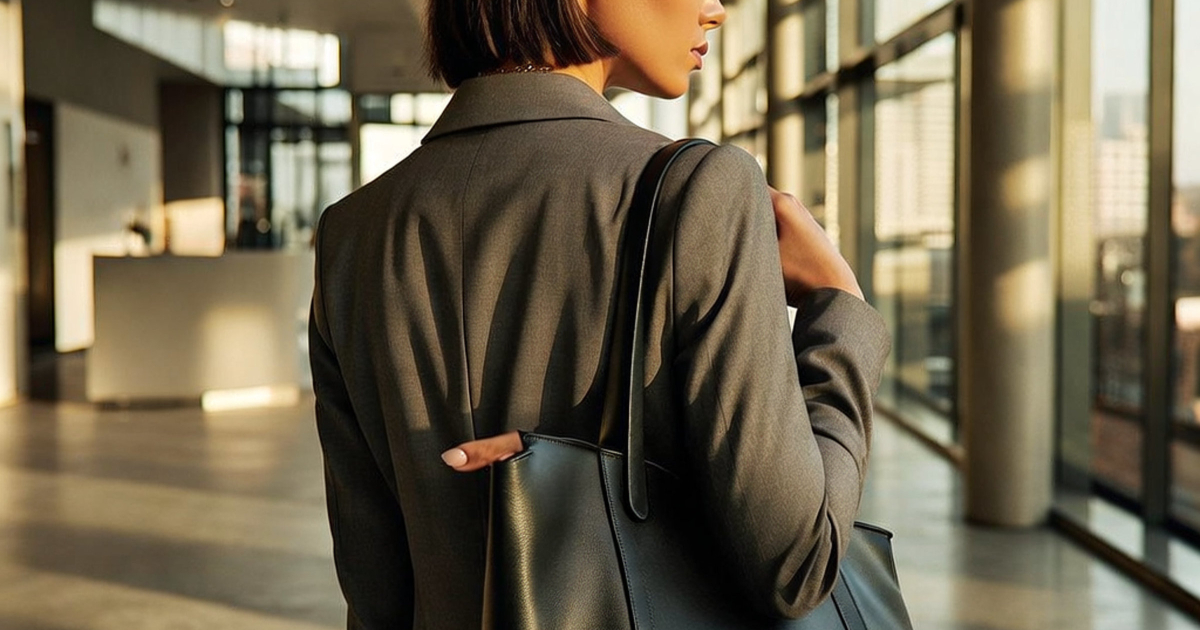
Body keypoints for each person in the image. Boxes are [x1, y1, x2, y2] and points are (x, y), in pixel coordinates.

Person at [308, 0, 891, 627]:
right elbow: (797, 564)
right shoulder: (697, 191)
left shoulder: (351, 234)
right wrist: (839, 306)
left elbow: (374, 592)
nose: (715, 12)